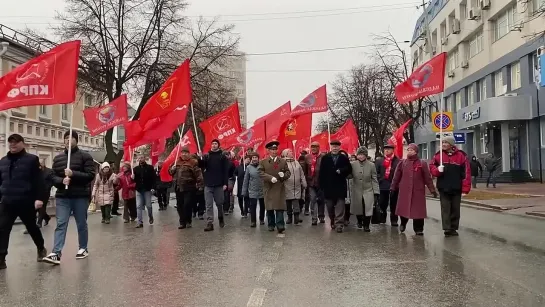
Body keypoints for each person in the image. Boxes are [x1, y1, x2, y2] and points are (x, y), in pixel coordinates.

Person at [43, 131, 95, 265]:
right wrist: (61, 181)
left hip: (79, 196)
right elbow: (52, 176)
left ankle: (83, 248)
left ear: (76, 140)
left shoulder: (85, 156)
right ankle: (56, 252)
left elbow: (90, 175)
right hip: (63, 196)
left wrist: (73, 174)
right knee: (61, 224)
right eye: (65, 138)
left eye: (70, 138)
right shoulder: (58, 158)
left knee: (81, 223)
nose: (67, 140)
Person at [0, 134, 48, 270]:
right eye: (10, 143)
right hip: (7, 202)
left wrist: (39, 199)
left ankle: (40, 247)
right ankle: (1, 258)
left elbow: (39, 181)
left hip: (25, 201)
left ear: (23, 143)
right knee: (2, 229)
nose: (12, 145)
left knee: (32, 227)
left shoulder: (32, 160)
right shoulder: (3, 161)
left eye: (15, 143)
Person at [390, 144, 438, 235]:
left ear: (416, 151)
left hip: (418, 191)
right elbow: (396, 177)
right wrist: (393, 187)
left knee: (418, 212)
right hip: (404, 190)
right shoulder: (402, 163)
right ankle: (403, 223)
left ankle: (418, 229)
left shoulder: (422, 163)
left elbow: (427, 178)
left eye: (412, 150)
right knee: (403, 209)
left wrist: (432, 190)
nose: (409, 151)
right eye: (408, 150)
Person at [430, 136, 471, 237]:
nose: (443, 144)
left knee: (455, 209)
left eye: (446, 143)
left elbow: (466, 173)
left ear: (451, 145)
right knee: (445, 208)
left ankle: (453, 227)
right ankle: (447, 228)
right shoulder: (438, 156)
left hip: (456, 187)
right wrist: (437, 170)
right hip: (443, 187)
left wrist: (465, 188)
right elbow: (432, 168)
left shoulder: (461, 156)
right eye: (442, 142)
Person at [318, 140, 352, 233]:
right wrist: (321, 186)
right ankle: (332, 220)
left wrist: (341, 170)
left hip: (340, 185)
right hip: (328, 186)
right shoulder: (325, 158)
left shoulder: (343, 158)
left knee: (340, 206)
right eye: (333, 146)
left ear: (339, 148)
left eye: (337, 146)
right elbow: (321, 173)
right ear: (331, 147)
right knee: (330, 206)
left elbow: (349, 169)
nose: (335, 148)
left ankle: (339, 224)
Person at [258, 140, 291, 233]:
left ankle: (280, 225)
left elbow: (288, 172)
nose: (274, 151)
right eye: (272, 149)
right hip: (268, 187)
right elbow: (260, 173)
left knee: (279, 207)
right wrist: (269, 178)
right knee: (270, 207)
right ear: (268, 150)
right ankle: (271, 224)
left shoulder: (282, 161)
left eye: (275, 149)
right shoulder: (263, 162)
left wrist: (283, 175)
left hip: (279, 187)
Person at [170, 146, 204, 229]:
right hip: (178, 187)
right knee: (179, 205)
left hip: (189, 187)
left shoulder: (193, 162)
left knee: (187, 204)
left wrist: (200, 184)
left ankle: (188, 221)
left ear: (188, 153)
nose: (184, 154)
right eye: (182, 153)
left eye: (185, 153)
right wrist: (172, 169)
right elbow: (170, 172)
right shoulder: (176, 162)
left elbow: (198, 174)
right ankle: (182, 222)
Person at [201, 139, 229, 232]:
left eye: (215, 144)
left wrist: (225, 183)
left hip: (219, 184)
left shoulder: (222, 156)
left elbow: (225, 171)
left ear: (218, 145)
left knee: (219, 203)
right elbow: (201, 165)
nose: (214, 145)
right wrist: (199, 158)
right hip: (208, 184)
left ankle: (220, 217)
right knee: (208, 204)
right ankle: (210, 223)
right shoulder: (207, 156)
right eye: (212, 144)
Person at [349, 146, 379, 232]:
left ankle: (366, 225)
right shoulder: (352, 164)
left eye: (362, 154)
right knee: (358, 207)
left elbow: (374, 178)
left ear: (366, 155)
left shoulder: (371, 165)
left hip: (368, 189)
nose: (361, 156)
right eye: (359, 154)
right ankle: (359, 221)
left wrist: (376, 192)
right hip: (356, 189)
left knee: (368, 207)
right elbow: (349, 175)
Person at [375, 143, 401, 226]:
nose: (386, 150)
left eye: (389, 149)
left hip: (394, 185)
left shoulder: (398, 161)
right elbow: (376, 172)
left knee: (394, 204)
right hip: (382, 185)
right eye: (385, 149)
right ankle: (382, 218)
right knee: (382, 203)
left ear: (393, 150)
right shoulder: (379, 160)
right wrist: (380, 179)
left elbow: (400, 173)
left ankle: (394, 220)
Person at [25, 159, 53, 234]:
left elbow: (51, 182)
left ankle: (38, 223)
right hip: (34, 192)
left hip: (45, 192)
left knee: (42, 207)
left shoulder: (49, 171)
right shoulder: (34, 171)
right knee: (35, 207)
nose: (39, 165)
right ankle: (47, 217)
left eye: (40, 164)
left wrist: (45, 188)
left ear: (44, 164)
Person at [281, 148, 307, 225]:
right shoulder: (283, 163)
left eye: (292, 151)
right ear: (285, 154)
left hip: (297, 186)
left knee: (296, 201)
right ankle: (289, 217)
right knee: (288, 202)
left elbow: (301, 173)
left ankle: (296, 217)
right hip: (287, 186)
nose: (291, 152)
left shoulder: (296, 162)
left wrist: (304, 182)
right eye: (289, 151)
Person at [304, 141, 325, 224]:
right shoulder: (307, 157)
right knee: (312, 199)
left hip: (321, 182)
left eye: (315, 146)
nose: (313, 148)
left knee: (321, 200)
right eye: (312, 146)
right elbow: (305, 170)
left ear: (318, 148)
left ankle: (321, 216)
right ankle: (314, 218)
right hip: (311, 182)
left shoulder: (323, 156)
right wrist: (306, 180)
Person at [242, 152, 265, 227]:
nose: (254, 159)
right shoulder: (248, 167)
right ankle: (253, 221)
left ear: (258, 158)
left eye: (256, 157)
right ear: (251, 159)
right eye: (253, 158)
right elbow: (246, 180)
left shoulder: (262, 166)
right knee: (253, 206)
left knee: (262, 205)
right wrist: (244, 191)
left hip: (262, 189)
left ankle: (261, 219)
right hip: (252, 190)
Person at [132, 155, 156, 228]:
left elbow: (153, 178)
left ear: (144, 158)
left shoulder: (150, 168)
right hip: (139, 190)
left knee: (148, 205)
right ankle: (140, 222)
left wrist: (153, 187)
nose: (140, 159)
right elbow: (134, 180)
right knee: (139, 206)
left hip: (147, 189)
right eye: (139, 158)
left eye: (141, 158)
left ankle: (150, 216)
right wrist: (132, 178)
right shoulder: (135, 169)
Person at [339, 150, 351, 226]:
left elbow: (351, 174)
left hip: (347, 186)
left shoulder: (349, 165)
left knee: (347, 204)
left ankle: (346, 218)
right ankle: (337, 219)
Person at [192, 153, 205, 220]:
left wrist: (201, 185)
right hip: (192, 186)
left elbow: (202, 177)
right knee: (193, 200)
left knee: (201, 200)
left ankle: (201, 213)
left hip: (201, 185)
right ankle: (194, 211)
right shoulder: (189, 167)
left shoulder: (201, 167)